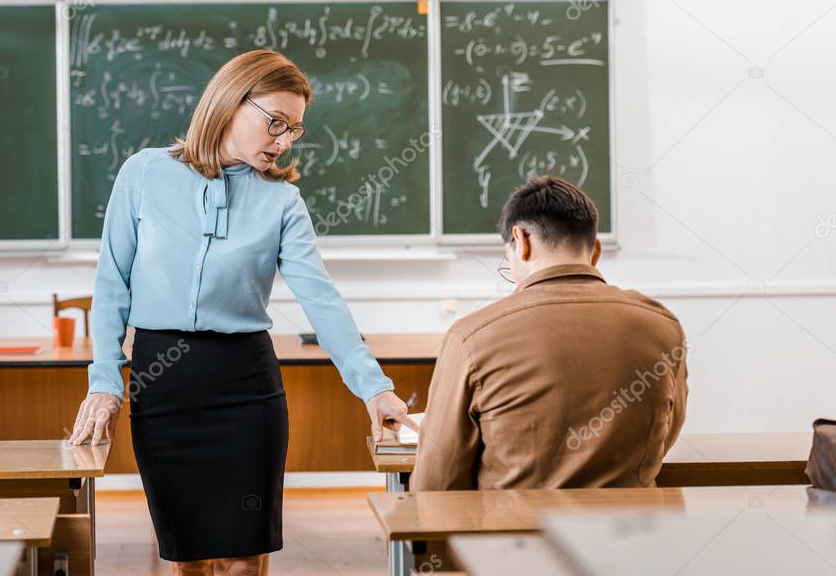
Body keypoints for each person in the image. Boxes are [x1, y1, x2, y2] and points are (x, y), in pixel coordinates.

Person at [68, 49, 417, 575]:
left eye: (294, 130)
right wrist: (104, 383)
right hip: (164, 385)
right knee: (187, 559)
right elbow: (111, 282)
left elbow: (320, 298)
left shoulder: (282, 202)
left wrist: (374, 386)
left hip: (246, 387)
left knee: (242, 560)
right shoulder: (143, 174)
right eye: (275, 123)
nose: (282, 141)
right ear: (230, 104)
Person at [411, 176, 688, 490]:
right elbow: (665, 435)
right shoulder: (662, 325)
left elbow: (436, 482)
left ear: (521, 240)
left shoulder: (472, 336)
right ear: (595, 250)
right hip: (635, 533)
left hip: (512, 536)